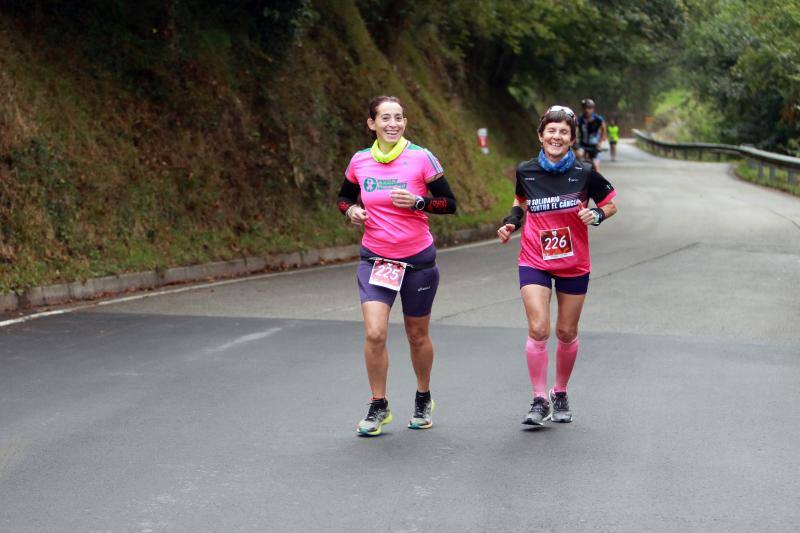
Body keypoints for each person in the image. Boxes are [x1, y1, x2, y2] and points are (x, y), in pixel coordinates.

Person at [337, 95, 457, 436]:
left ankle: (423, 396)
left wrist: (419, 201)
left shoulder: (421, 158)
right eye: (385, 118)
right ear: (371, 123)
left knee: (416, 335)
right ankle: (379, 405)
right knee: (375, 332)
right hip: (375, 259)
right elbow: (344, 196)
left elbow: (449, 203)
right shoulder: (360, 161)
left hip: (417, 261)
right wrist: (350, 211)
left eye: (399, 118)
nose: (393, 124)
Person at [497, 105, 617, 426]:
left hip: (574, 262)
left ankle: (559, 391)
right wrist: (511, 222)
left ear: (571, 139)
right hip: (535, 258)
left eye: (564, 132)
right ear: (540, 135)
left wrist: (598, 214)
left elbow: (610, 203)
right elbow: (520, 201)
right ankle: (539, 399)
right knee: (539, 328)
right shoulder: (526, 171)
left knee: (566, 331)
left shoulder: (585, 172)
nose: (556, 136)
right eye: (551, 130)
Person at [576, 98, 607, 171]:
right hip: (583, 144)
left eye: (589, 108)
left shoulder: (597, 119)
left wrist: (601, 141)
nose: (587, 110)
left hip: (595, 145)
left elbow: (603, 128)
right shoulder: (579, 119)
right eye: (585, 108)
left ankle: (598, 180)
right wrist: (575, 140)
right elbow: (575, 130)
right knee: (578, 156)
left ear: (593, 109)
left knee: (596, 166)